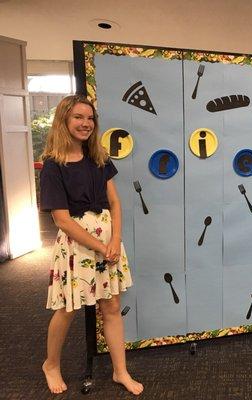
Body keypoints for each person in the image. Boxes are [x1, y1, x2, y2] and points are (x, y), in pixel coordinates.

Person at [39, 95, 143, 395]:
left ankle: (120, 371)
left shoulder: (99, 157)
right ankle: (51, 363)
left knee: (111, 305)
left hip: (108, 241)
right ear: (64, 121)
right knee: (68, 308)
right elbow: (61, 220)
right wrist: (100, 245)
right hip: (78, 244)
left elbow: (114, 202)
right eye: (78, 117)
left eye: (90, 118)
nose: (86, 123)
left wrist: (115, 238)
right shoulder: (53, 166)